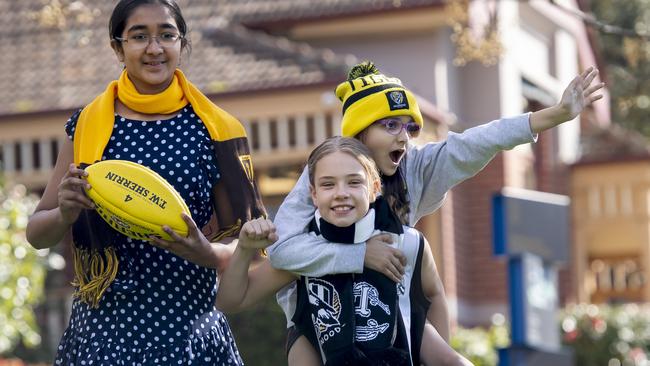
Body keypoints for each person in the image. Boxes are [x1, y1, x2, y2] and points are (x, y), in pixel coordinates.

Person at [267, 61, 604, 363]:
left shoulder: (415, 166)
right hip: (320, 320)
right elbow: (282, 251)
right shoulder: (325, 173)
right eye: (391, 126)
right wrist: (358, 255)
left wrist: (556, 114)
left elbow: (481, 140)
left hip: (389, 311)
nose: (405, 137)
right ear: (359, 133)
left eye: (410, 127)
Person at [25, 0, 265, 364]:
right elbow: (37, 234)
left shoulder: (217, 131)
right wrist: (65, 211)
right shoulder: (87, 126)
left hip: (190, 333)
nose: (154, 48)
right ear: (118, 48)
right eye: (139, 36)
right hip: (102, 338)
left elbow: (249, 241)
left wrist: (207, 252)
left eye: (167, 35)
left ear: (182, 45)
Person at [216, 136, 472, 366]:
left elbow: (433, 294)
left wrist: (442, 350)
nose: (341, 194)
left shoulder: (407, 243)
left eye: (353, 182)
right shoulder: (303, 253)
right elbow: (232, 300)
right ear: (313, 195)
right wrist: (245, 250)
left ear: (373, 188)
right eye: (328, 185)